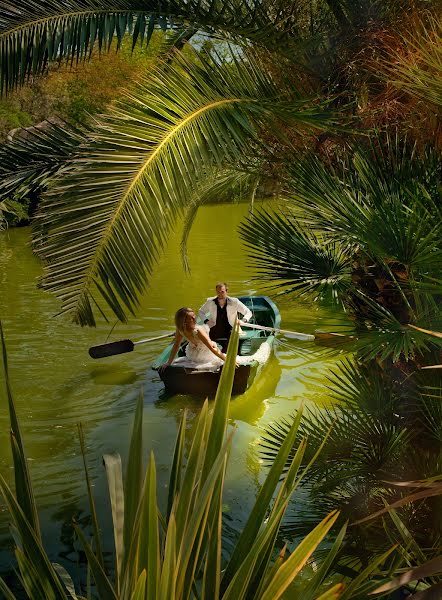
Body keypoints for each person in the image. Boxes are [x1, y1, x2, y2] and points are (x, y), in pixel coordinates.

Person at [159, 307, 227, 372]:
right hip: (195, 354)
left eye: (194, 316)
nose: (194, 318)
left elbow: (211, 347)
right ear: (184, 321)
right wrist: (169, 363)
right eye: (190, 318)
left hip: (201, 353)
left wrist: (225, 360)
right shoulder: (182, 330)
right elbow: (176, 344)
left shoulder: (195, 331)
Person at [198, 282, 252, 352]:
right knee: (206, 342)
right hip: (215, 327)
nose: (220, 294)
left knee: (230, 347)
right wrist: (206, 321)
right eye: (218, 292)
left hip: (231, 327)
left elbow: (248, 312)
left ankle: (224, 355)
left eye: (222, 292)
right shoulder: (210, 301)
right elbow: (201, 311)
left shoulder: (234, 301)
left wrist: (242, 321)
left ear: (226, 291)